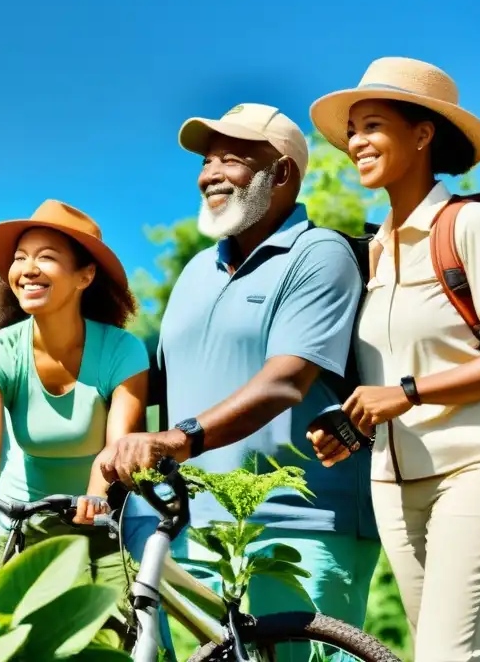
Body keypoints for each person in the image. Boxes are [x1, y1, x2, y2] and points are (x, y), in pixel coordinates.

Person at [104, 104, 379, 661]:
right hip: (194, 530)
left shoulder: (318, 254)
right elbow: (155, 385)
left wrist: (176, 440)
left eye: (231, 159)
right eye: (207, 161)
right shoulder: (194, 273)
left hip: (300, 529)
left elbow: (284, 381)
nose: (209, 174)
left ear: (281, 173)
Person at [307, 57, 480, 660]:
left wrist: (406, 393)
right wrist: (358, 423)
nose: (357, 142)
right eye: (352, 130)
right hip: (394, 483)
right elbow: (395, 368)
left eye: (374, 125)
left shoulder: (469, 224)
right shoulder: (374, 249)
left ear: (423, 133)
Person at [0, 199, 149, 615]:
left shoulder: (122, 351)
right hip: (17, 516)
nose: (28, 269)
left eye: (47, 258)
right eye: (20, 259)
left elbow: (118, 447)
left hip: (98, 516)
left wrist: (95, 498)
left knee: (124, 624)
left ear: (85, 275)